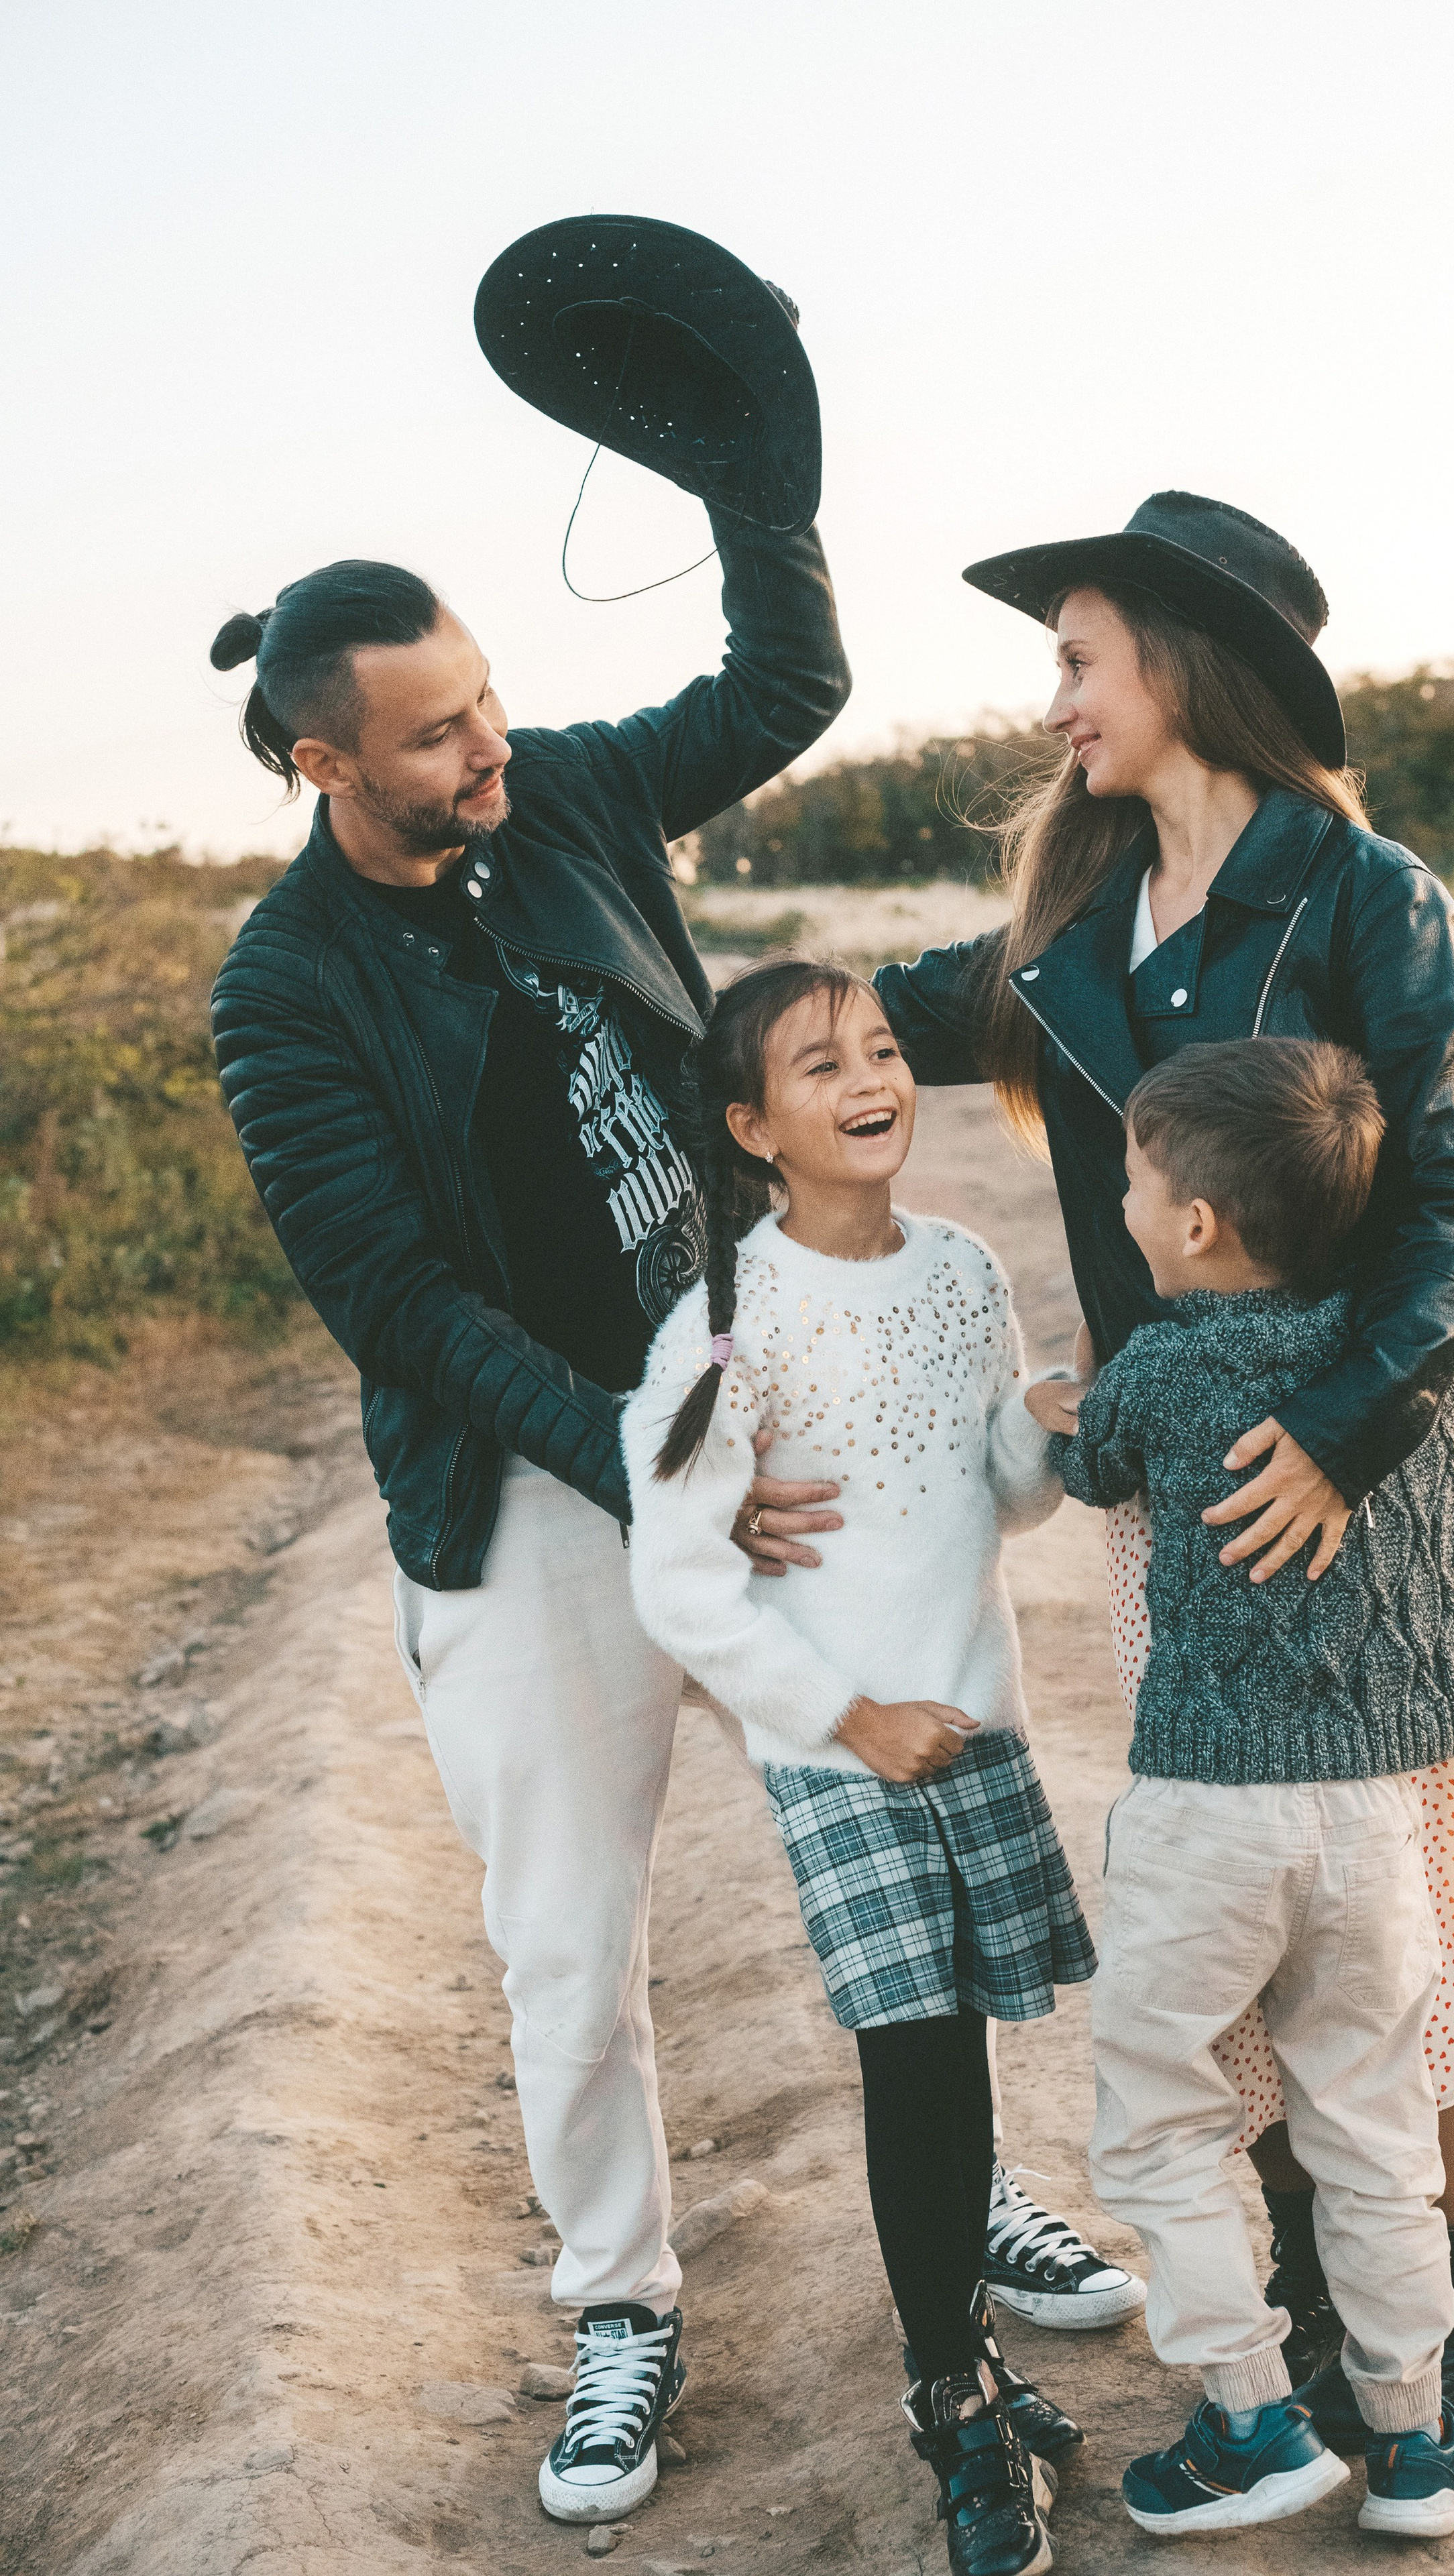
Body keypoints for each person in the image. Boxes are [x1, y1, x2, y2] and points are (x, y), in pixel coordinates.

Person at [873, 490, 1454, 2441]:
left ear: (1184, 666)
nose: (1055, 703)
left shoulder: (1369, 893)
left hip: (1374, 1461)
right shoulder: (1065, 930)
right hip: (1179, 1489)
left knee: (1417, 1874)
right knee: (1244, 1878)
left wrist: (1347, 1438)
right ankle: (1313, 2266)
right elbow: (847, 1028)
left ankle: (1452, 2273)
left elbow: (1451, 1209)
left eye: (1078, 660)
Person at [210, 486, 850, 2524]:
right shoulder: (285, 986)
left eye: (487, 698)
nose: (490, 746)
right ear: (324, 763)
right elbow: (395, 1302)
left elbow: (785, 686)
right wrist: (650, 1469)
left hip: (743, 1405)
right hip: (534, 1496)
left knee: (886, 1830)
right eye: (436, 733)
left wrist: (755, 479)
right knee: (569, 1944)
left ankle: (965, 2190)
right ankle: (620, 2307)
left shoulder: (565, 792)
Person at [1027, 1038, 1454, 2537]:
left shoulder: (1160, 1367)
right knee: (1374, 2125)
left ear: (1195, 1225)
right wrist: (1380, 1231)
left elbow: (1091, 1465)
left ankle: (1250, 2416)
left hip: (1205, 1821)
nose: (1122, 1203)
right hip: (1372, 1818)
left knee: (1157, 2121)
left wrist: (1057, 1391)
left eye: (1134, 1182)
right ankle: (1414, 2436)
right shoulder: (1405, 1355)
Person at [620, 958, 1093, 2576]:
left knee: (966, 2047)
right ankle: (947, 2390)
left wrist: (1039, 1420)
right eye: (818, 1064)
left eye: (882, 1049)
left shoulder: (960, 1266)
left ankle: (970, 2344)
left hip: (969, 1717)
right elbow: (680, 1581)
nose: (869, 1078)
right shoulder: (725, 1325)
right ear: (752, 1127)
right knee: (915, 2055)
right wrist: (844, 1717)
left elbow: (999, 1495)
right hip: (843, 1749)